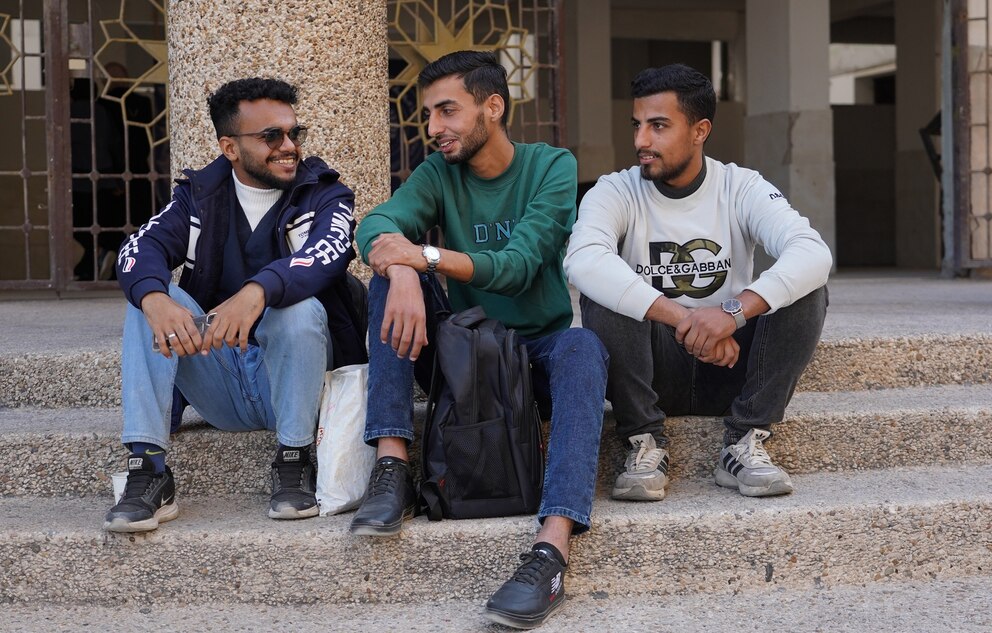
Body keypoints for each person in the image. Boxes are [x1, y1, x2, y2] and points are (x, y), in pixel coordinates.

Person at [352, 51, 608, 629]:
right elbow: (375, 225)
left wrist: (429, 256)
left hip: (533, 356)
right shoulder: (437, 173)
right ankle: (392, 467)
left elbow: (519, 265)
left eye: (448, 111)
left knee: (584, 348)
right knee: (388, 280)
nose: (433, 128)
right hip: (464, 356)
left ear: (492, 107)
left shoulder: (552, 166)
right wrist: (401, 271)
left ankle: (552, 548)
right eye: (428, 115)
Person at [104, 78, 366, 533]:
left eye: (294, 134)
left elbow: (328, 254)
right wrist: (154, 297)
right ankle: (148, 470)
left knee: (298, 308)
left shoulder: (326, 194)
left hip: (295, 385)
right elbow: (137, 250)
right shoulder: (196, 197)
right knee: (147, 301)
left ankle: (294, 459)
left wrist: (257, 292)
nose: (289, 147)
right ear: (229, 146)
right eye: (271, 136)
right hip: (220, 381)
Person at [564, 64, 830, 503]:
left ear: (700, 130)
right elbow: (582, 261)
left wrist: (732, 313)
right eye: (638, 125)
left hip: (731, 366)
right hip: (654, 366)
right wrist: (691, 321)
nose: (641, 141)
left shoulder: (741, 187)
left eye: (659, 126)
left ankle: (743, 441)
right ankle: (644, 442)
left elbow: (812, 251)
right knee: (604, 290)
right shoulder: (614, 191)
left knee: (807, 288)